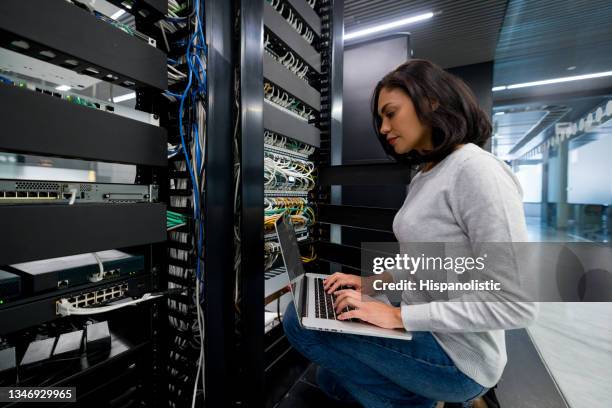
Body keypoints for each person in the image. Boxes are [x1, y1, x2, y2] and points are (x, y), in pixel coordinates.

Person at [282, 59, 538, 408]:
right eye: (380, 119)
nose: (383, 127)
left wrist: (400, 317)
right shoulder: (426, 173)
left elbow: (515, 303)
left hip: (457, 356)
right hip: (428, 331)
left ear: (430, 101)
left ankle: (438, 397)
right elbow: (429, 263)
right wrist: (371, 284)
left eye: (390, 113)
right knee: (329, 378)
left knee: (299, 323)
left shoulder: (478, 171)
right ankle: (425, 397)